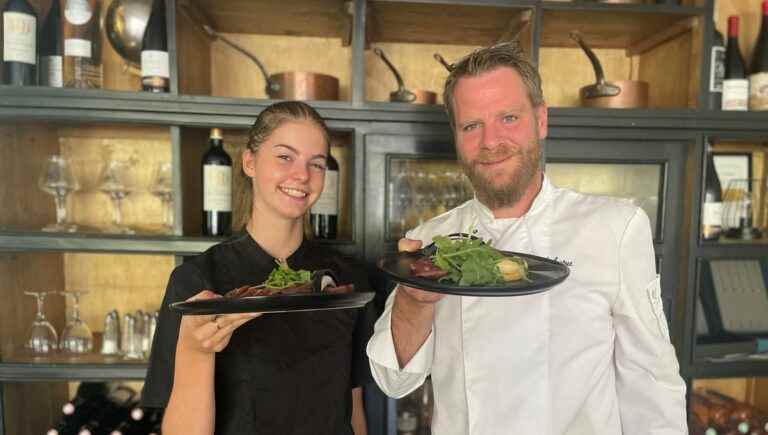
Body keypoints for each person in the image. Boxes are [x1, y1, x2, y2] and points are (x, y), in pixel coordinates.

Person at [366, 42, 688, 434]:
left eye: (508, 118)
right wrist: (414, 303)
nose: (490, 141)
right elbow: (392, 380)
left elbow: (650, 381)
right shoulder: (429, 241)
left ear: (541, 120)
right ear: (456, 135)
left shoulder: (615, 228)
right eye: (472, 125)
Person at [142, 101, 374, 435]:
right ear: (249, 162)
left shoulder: (348, 282)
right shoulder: (197, 281)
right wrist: (196, 351)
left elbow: (352, 408)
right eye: (285, 157)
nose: (302, 175)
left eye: (317, 164)